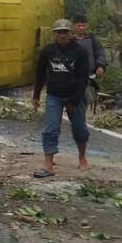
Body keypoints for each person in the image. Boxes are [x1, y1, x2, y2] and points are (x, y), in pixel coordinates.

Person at [31, 18, 90, 178]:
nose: (62, 35)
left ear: (71, 33)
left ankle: (82, 157)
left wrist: (74, 101)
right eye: (59, 32)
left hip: (74, 95)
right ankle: (48, 164)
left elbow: (83, 78)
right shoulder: (48, 51)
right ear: (54, 34)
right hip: (54, 96)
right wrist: (36, 95)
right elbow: (40, 74)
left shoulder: (80, 52)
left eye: (65, 32)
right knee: (50, 129)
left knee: (79, 129)